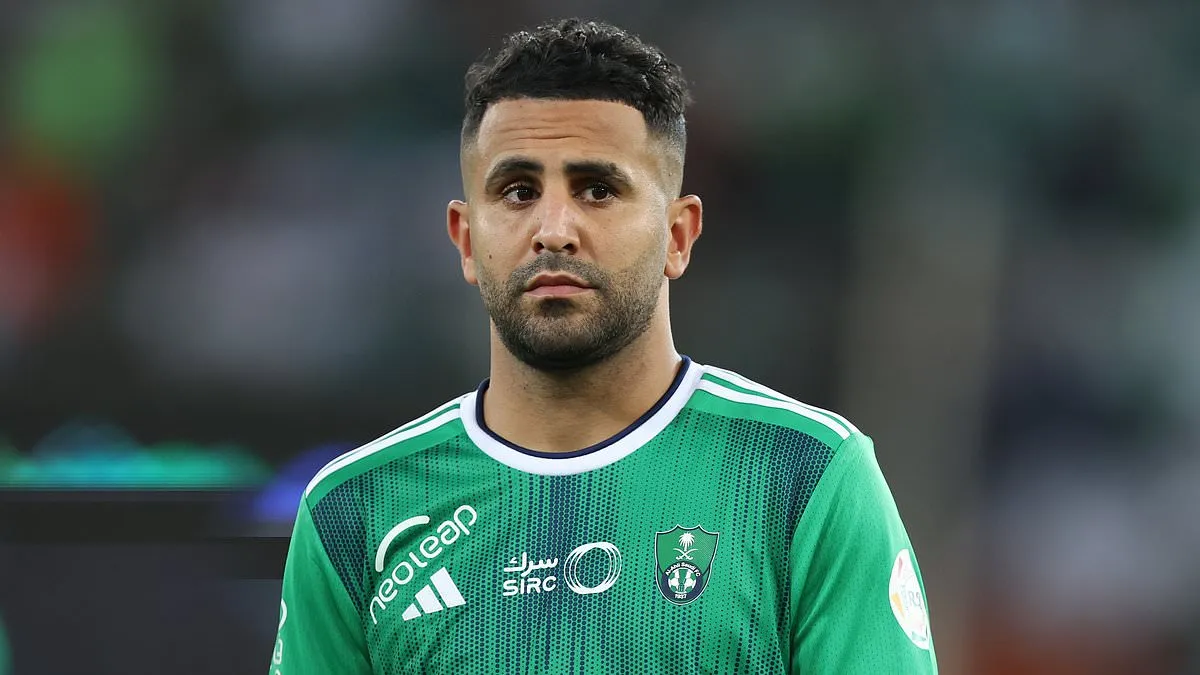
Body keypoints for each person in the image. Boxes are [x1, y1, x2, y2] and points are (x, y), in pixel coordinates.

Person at [270, 18, 937, 674]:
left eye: (598, 189)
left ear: (678, 235)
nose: (554, 229)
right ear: (467, 240)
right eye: (518, 191)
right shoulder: (355, 510)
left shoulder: (803, 475)